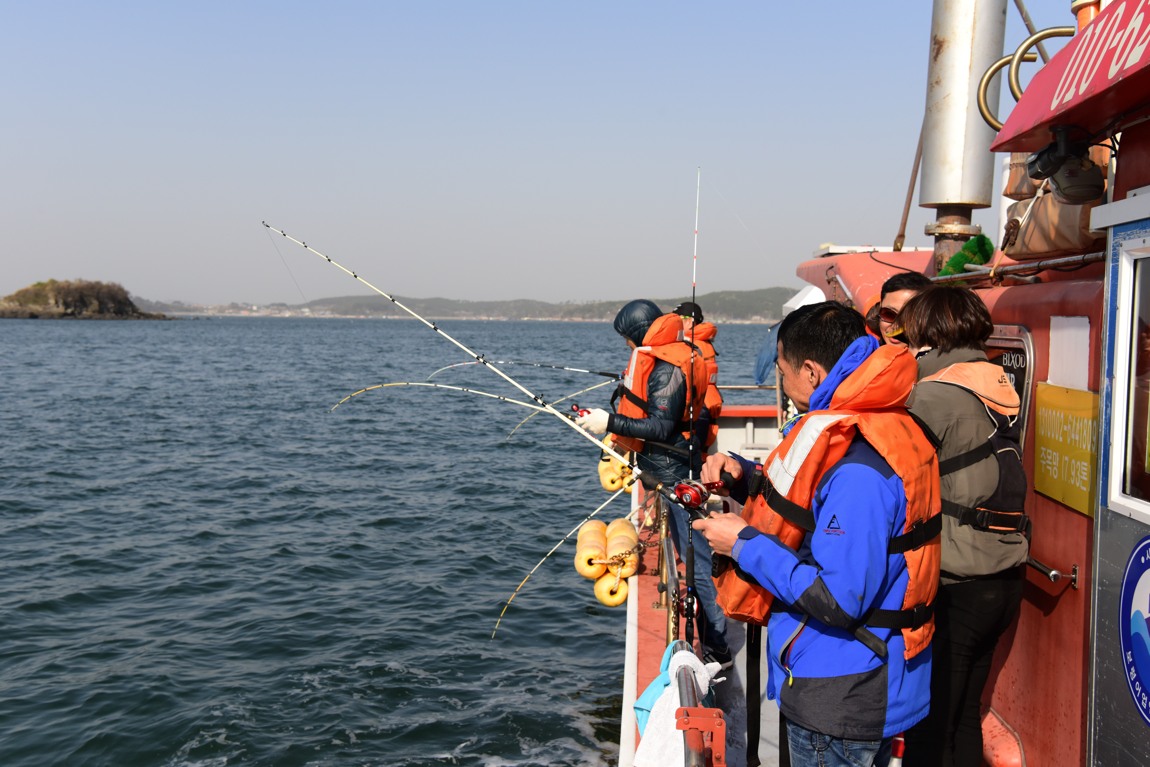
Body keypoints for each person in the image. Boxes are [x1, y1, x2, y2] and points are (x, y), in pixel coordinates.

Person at [691, 300, 940, 767]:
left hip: (843, 694)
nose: (782, 386)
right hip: (853, 681)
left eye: (782, 373)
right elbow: (811, 501)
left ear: (810, 371)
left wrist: (742, 544)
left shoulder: (860, 469)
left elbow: (839, 598)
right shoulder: (877, 423)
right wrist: (743, 475)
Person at [897, 286, 1030, 767]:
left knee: (930, 728)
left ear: (929, 333)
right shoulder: (997, 381)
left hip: (957, 580)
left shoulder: (931, 394)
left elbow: (894, 475)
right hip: (1005, 575)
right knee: (964, 717)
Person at [575, 298, 733, 666]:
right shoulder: (665, 357)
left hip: (674, 472)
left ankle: (718, 646)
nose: (626, 346)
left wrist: (609, 423)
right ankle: (713, 639)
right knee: (686, 553)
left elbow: (661, 426)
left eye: (626, 338)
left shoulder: (667, 369)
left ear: (636, 333)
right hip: (664, 470)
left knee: (695, 559)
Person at [673, 300, 723, 449]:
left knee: (690, 458)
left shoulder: (688, 343)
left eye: (678, 319)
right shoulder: (703, 342)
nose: (674, 324)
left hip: (697, 407)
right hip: (708, 403)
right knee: (699, 456)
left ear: (690, 322)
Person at [874, 271, 932, 346]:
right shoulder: (865, 354)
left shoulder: (945, 356)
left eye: (908, 317)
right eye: (888, 314)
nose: (896, 326)